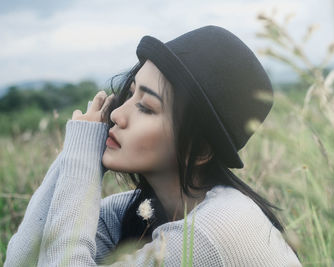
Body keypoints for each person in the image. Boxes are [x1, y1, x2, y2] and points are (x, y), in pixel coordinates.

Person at [4, 25, 302, 266]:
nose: (117, 115)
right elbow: (23, 261)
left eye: (145, 107)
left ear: (199, 151)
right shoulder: (134, 213)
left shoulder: (216, 229)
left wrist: (82, 154)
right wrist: (76, 153)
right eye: (129, 93)